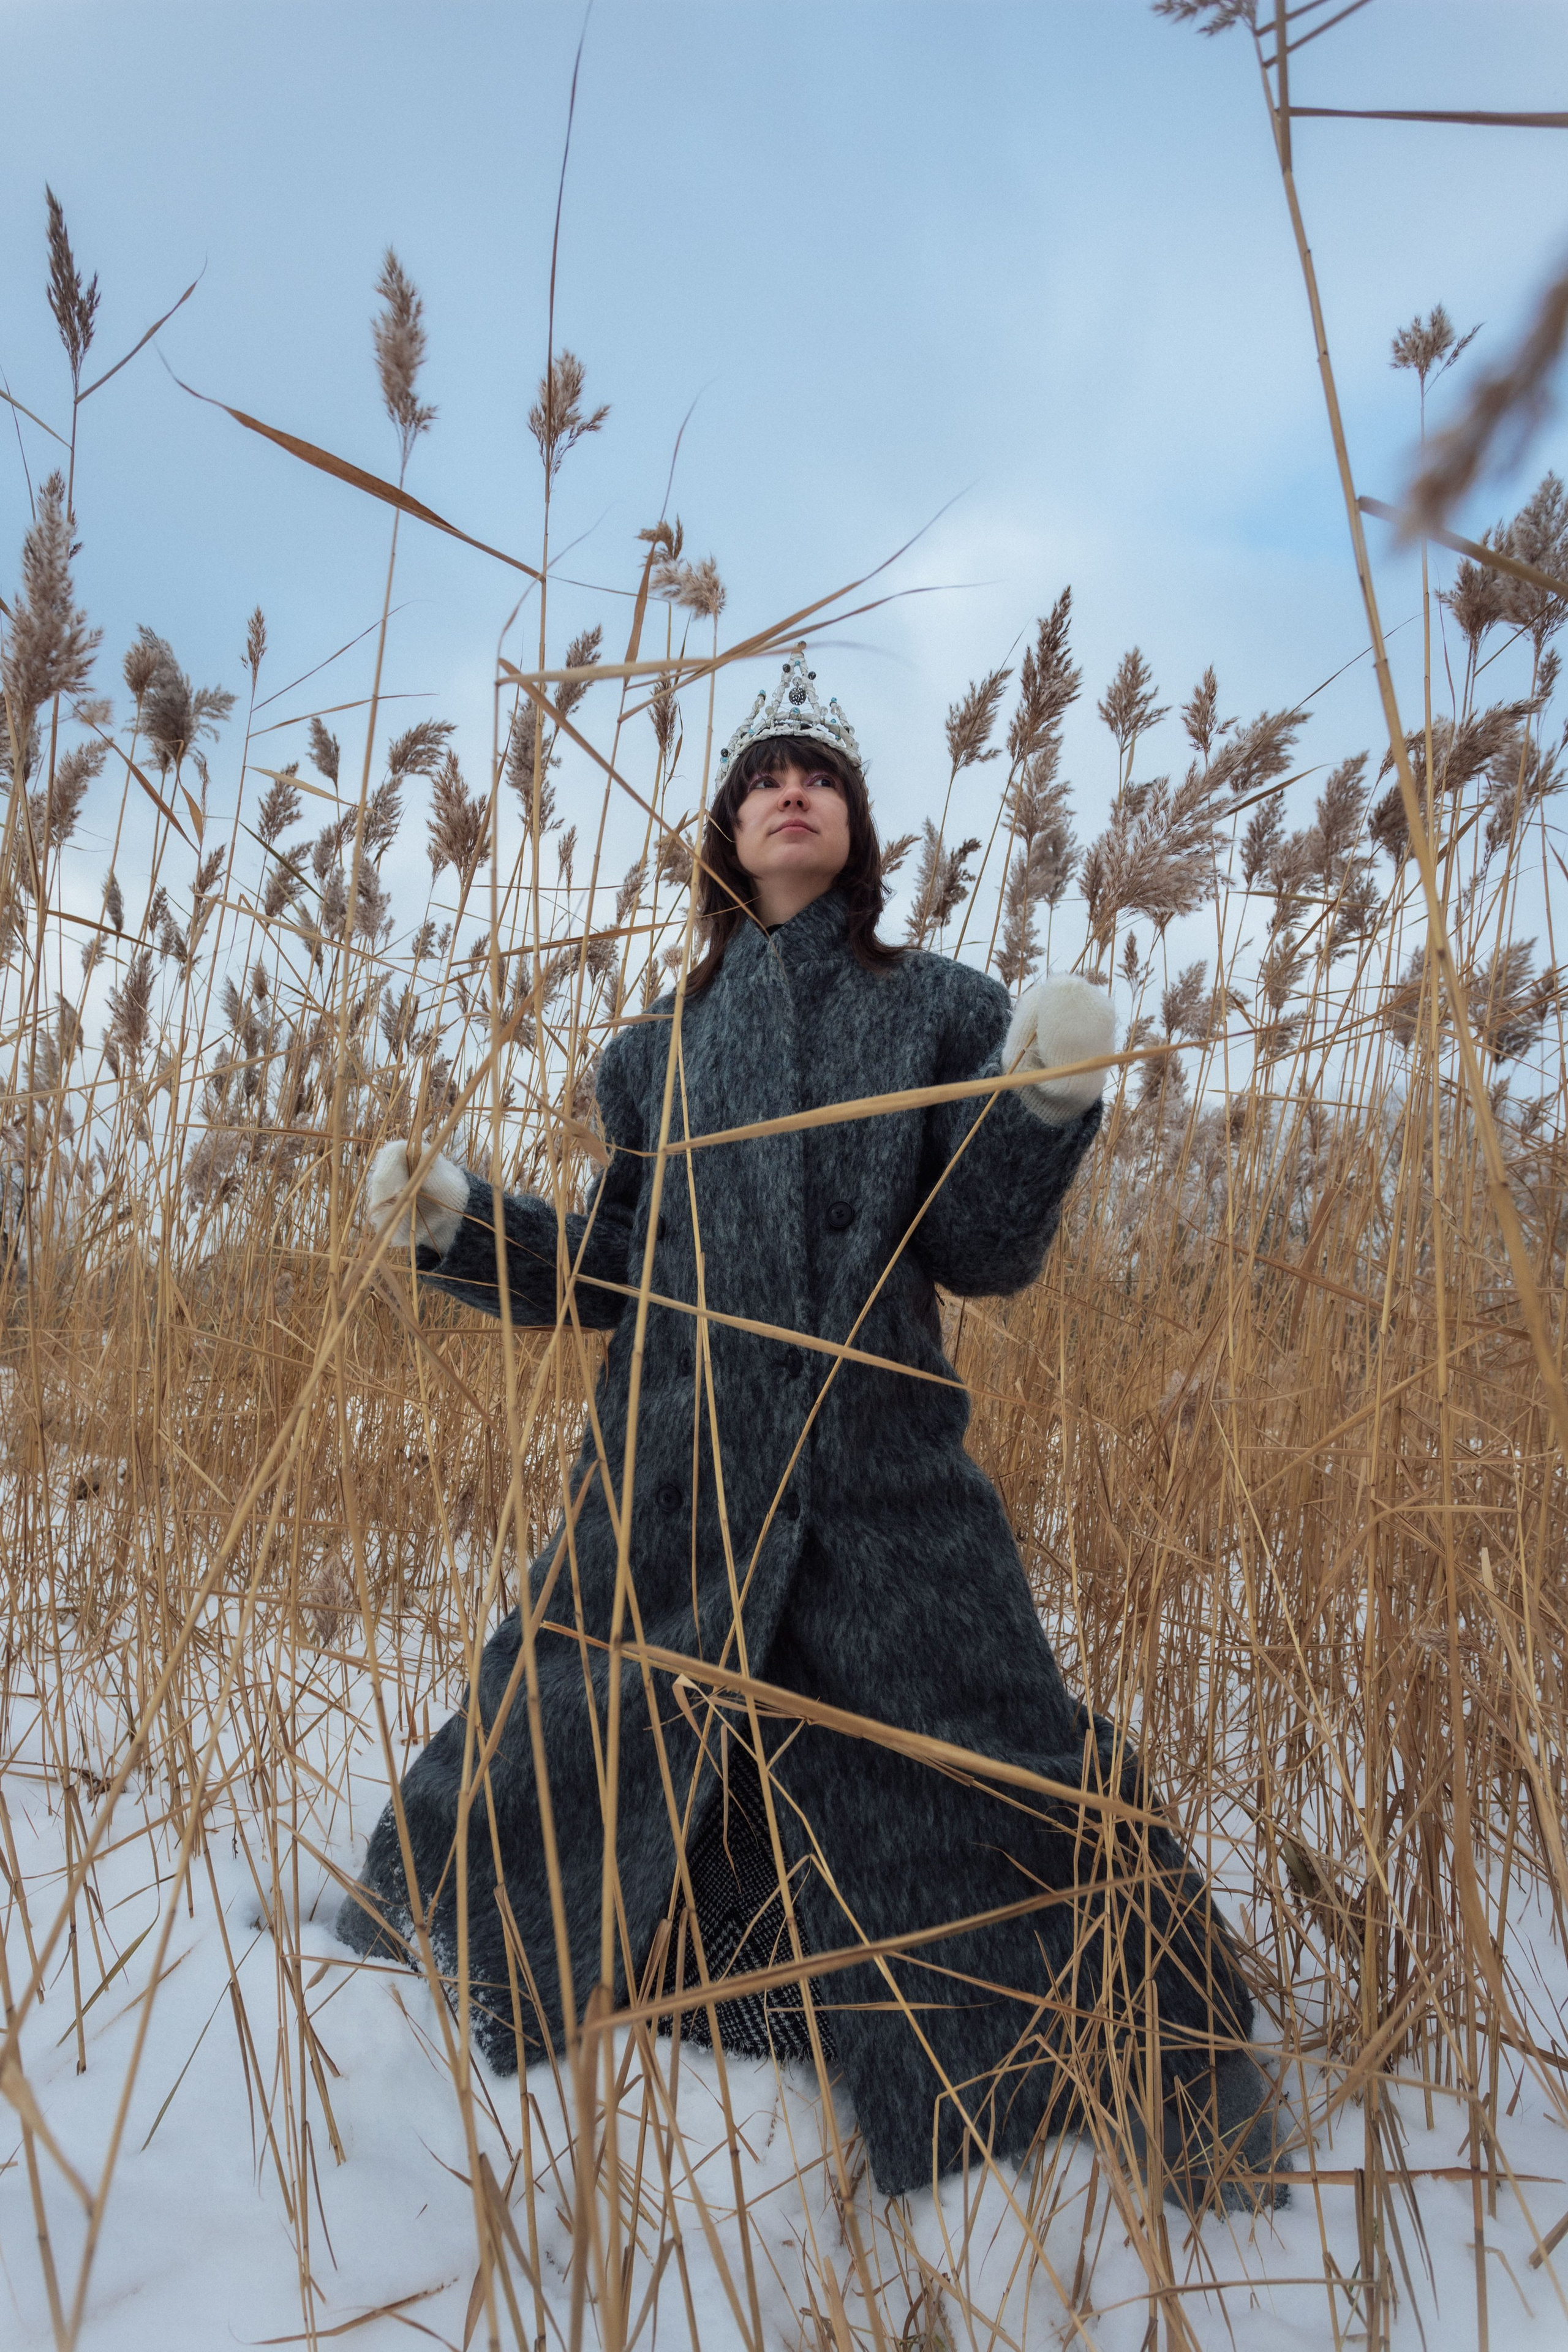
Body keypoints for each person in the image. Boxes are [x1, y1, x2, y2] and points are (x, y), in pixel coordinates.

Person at [339, 647, 1287, 2210]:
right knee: (571, 1724)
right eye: (766, 774)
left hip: (876, 1482)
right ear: (725, 828)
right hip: (669, 1479)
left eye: (824, 775)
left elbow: (981, 1247)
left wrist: (1039, 1102)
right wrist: (462, 1230)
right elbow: (616, 1270)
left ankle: (1141, 2065)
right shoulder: (648, 1054)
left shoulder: (936, 1009)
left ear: (856, 826)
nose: (795, 789)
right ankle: (455, 1937)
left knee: (979, 1763)